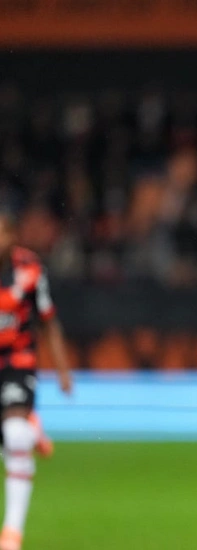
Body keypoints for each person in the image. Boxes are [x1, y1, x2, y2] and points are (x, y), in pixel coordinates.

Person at [0, 211, 73, 550]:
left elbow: (48, 321)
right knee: (13, 437)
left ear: (12, 237)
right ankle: (33, 428)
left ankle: (11, 534)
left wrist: (62, 370)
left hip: (17, 362)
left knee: (14, 436)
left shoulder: (29, 269)